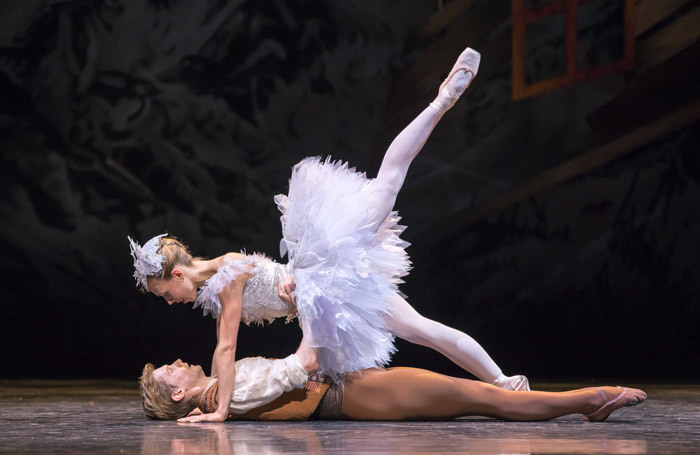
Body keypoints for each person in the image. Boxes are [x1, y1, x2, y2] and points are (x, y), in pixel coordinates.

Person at [129, 46, 529, 422]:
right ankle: (503, 382)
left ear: (177, 276)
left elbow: (226, 349)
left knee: (388, 190)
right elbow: (222, 362)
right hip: (322, 288)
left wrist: (220, 410)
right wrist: (213, 401)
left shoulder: (226, 276)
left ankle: (442, 100)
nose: (169, 302)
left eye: (164, 294)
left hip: (320, 280)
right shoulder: (220, 283)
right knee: (417, 312)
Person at [139, 354, 647, 423]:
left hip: (353, 386)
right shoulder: (220, 395)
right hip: (353, 395)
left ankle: (589, 402)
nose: (176, 362)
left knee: (477, 395)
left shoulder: (220, 382)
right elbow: (289, 385)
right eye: (169, 372)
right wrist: (311, 363)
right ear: (179, 395)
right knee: (481, 397)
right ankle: (590, 400)